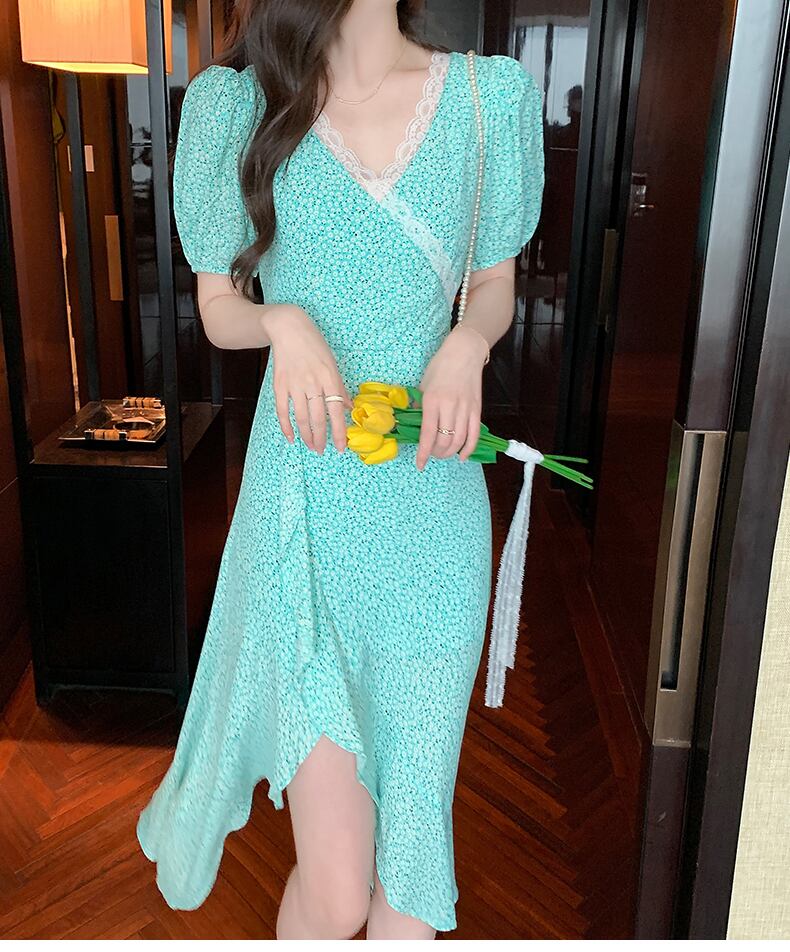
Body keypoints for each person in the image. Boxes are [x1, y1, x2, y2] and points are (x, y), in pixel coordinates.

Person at [136, 0, 544, 939]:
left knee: (410, 878)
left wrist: (468, 345)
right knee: (333, 888)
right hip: (305, 515)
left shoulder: (485, 101)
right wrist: (280, 320)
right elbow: (218, 307)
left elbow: (493, 284)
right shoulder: (241, 108)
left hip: (432, 517)